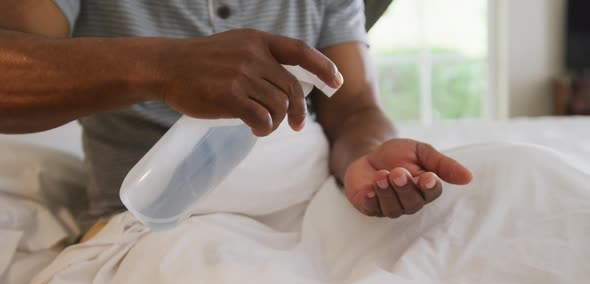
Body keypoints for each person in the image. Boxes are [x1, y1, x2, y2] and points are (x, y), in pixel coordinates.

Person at [0, 0, 472, 239]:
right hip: (153, 233)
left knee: (526, 178)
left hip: (312, 218)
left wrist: (369, 156)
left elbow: (355, 107)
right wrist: (159, 66)